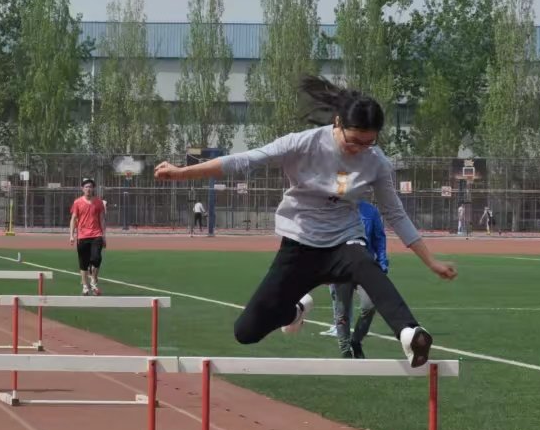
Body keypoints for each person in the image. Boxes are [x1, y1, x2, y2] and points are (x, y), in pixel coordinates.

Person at [154, 75, 455, 367]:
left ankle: (409, 333)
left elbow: (395, 213)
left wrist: (431, 261)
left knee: (367, 265)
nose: (359, 149)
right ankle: (296, 310)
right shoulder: (303, 144)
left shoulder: (376, 162)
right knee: (246, 332)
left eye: (369, 142)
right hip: (299, 244)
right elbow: (245, 160)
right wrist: (182, 172)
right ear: (337, 123)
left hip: (343, 240)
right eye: (353, 142)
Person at [324, 200, 385, 358]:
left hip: (365, 266)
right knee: (342, 312)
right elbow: (325, 239)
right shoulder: (334, 209)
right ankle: (345, 350)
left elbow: (379, 239)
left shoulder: (370, 211)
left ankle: (356, 341)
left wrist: (383, 263)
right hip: (341, 268)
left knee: (369, 305)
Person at [68, 177, 107, 295]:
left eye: (90, 187)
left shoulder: (99, 202)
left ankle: (94, 281)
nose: (88, 189)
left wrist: (104, 236)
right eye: (86, 187)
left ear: (93, 188)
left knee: (96, 258)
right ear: (82, 189)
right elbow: (73, 219)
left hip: (96, 234)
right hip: (82, 236)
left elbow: (102, 219)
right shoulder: (77, 202)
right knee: (83, 263)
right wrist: (71, 235)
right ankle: (85, 286)